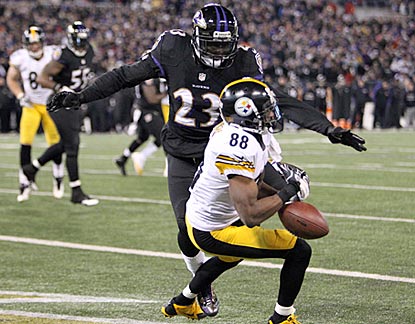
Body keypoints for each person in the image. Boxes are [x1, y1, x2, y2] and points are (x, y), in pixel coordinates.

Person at [47, 3, 366, 316]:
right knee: (188, 231)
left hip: (229, 150)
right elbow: (125, 76)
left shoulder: (242, 60)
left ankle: (268, 280)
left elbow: (275, 99)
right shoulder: (173, 47)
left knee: (272, 208)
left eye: (224, 45)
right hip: (184, 151)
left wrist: (330, 129)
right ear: (196, 37)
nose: (217, 53)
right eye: (212, 44)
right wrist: (81, 96)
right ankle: (202, 286)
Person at [162, 77, 311, 323]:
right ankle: (282, 317)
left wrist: (283, 192)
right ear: (245, 112)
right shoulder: (237, 146)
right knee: (298, 250)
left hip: (208, 212)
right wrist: (287, 192)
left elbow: (253, 184)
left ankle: (184, 301)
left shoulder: (242, 133)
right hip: (212, 230)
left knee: (231, 257)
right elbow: (251, 216)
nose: (271, 115)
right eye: (265, 111)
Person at [23, 21, 98, 206]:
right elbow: (42, 78)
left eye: (83, 40)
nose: (82, 44)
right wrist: (59, 86)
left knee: (64, 144)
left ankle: (32, 168)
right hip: (59, 102)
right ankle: (76, 191)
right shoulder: (63, 55)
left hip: (74, 102)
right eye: (78, 40)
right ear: (71, 39)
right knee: (73, 145)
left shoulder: (90, 52)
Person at [6, 25, 63, 202]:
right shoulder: (20, 58)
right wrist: (20, 95)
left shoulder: (53, 53)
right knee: (25, 142)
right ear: (25, 45)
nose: (35, 47)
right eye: (31, 44)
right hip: (31, 104)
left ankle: (58, 178)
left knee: (55, 143)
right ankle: (25, 182)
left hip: (50, 104)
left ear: (42, 42)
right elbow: (11, 79)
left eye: (37, 43)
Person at [114, 78, 167, 176]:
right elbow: (152, 98)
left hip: (147, 110)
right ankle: (142, 156)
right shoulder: (148, 77)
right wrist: (167, 93)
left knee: (142, 137)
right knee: (162, 137)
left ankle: (123, 158)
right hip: (145, 111)